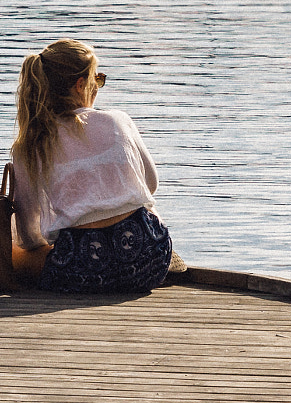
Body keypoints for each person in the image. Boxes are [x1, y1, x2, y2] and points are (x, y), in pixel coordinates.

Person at [9, 39, 172, 293]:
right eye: (97, 80)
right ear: (80, 85)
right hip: (149, 259)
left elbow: (28, 236)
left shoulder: (30, 146)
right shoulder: (119, 121)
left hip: (80, 270)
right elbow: (151, 184)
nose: (98, 87)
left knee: (14, 255)